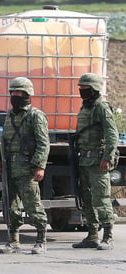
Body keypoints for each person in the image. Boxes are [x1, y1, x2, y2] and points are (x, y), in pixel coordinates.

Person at [0, 77, 50, 254]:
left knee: (33, 204)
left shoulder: (36, 116)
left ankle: (41, 240)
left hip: (27, 168)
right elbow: (2, 139)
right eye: (13, 92)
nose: (15, 95)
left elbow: (43, 143)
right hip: (9, 167)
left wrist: (40, 166)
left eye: (19, 93)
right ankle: (13, 241)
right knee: (11, 206)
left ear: (27, 94)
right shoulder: (9, 116)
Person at [72, 73, 118, 250]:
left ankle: (108, 236)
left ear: (95, 89)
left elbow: (112, 135)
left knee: (101, 198)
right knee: (86, 198)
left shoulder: (101, 107)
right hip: (83, 159)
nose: (82, 92)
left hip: (98, 161)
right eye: (81, 89)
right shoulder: (85, 107)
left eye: (86, 89)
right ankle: (92, 235)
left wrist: (107, 157)